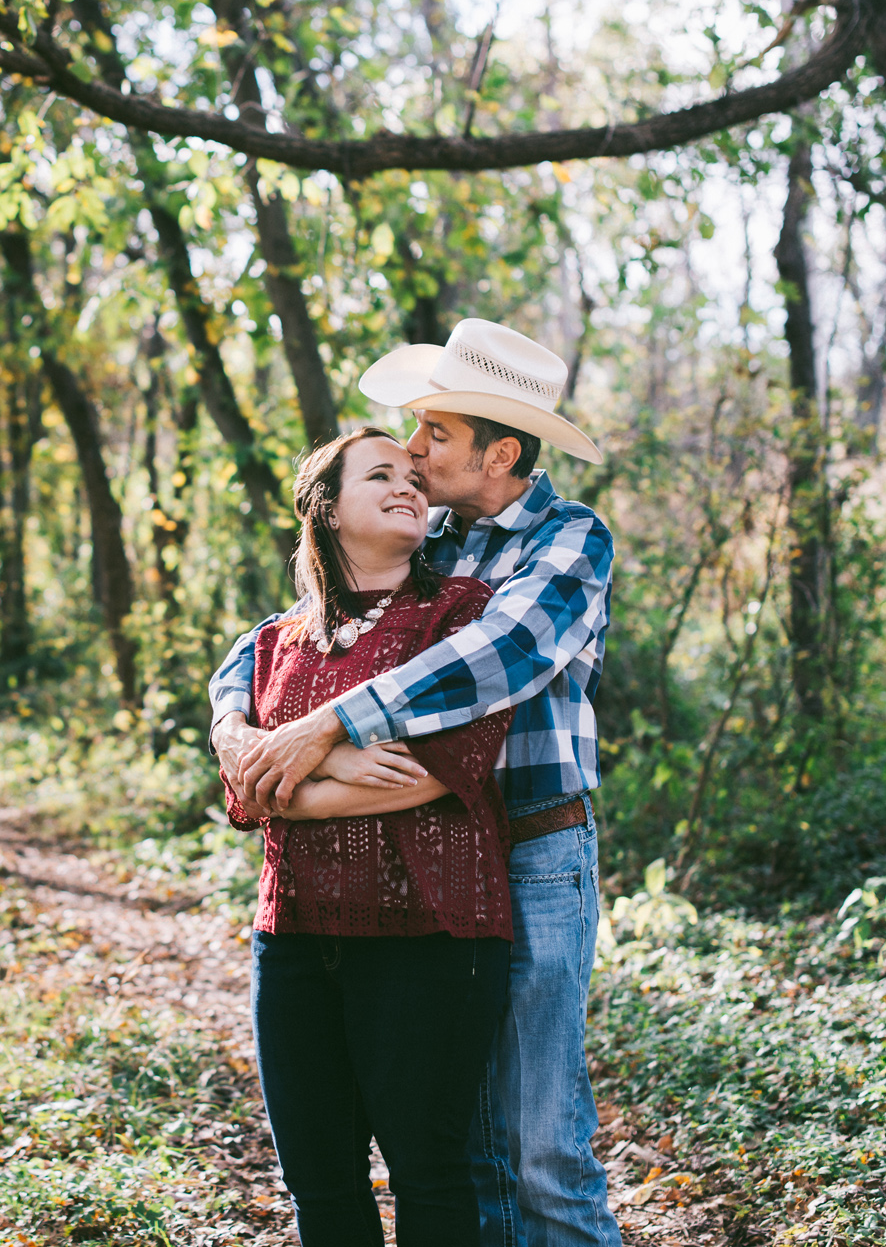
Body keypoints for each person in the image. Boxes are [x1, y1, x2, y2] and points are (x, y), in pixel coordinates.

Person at [214, 318, 620, 1247]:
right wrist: (233, 719)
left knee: (542, 1145)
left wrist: (324, 728)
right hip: (425, 865)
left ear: (501, 451)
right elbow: (286, 628)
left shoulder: (568, 540)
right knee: (459, 1148)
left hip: (536, 849)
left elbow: (501, 656)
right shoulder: (423, 527)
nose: (413, 448)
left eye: (434, 433)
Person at [226, 426, 515, 1247]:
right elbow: (245, 788)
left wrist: (301, 773)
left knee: (428, 1174)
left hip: (430, 933)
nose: (408, 486)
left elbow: (444, 769)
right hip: (294, 937)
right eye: (379, 475)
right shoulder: (276, 640)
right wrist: (347, 762)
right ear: (326, 508)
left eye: (413, 477)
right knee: (319, 1186)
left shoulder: (460, 613)